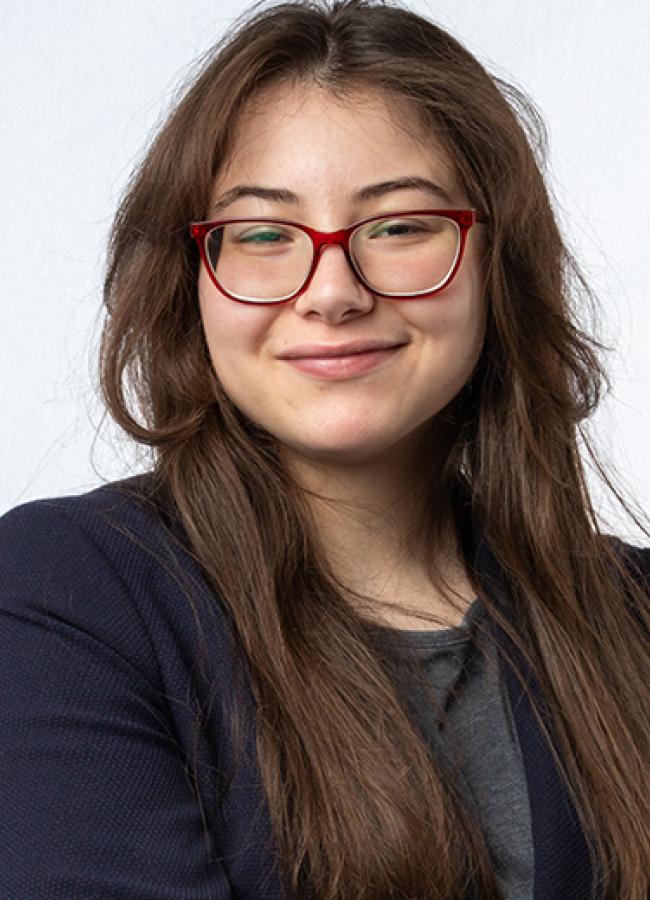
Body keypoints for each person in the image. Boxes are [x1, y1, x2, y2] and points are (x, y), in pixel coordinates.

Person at [1, 1, 648, 897]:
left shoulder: (633, 616)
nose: (333, 291)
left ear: (497, 264)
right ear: (191, 280)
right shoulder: (65, 596)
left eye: (398, 228)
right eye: (263, 234)